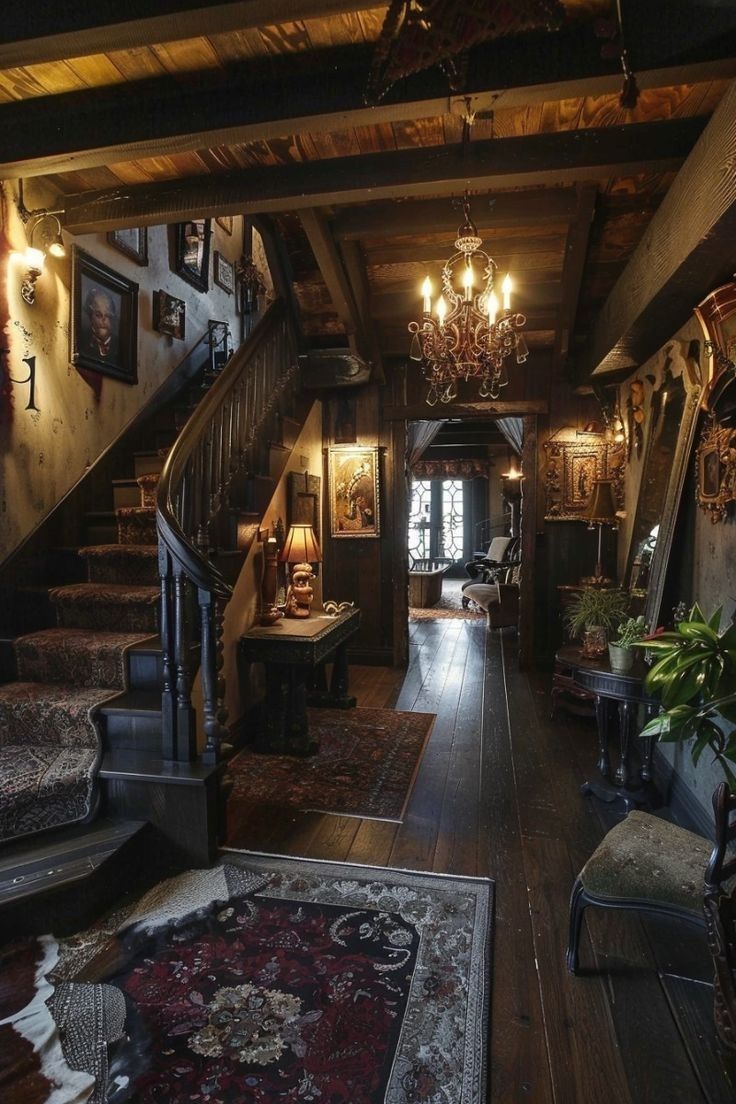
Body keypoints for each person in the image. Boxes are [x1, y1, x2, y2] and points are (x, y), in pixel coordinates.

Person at [83, 287, 120, 360]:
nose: (103, 319)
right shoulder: (83, 340)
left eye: (108, 315)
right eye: (98, 315)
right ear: (91, 316)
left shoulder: (120, 346)